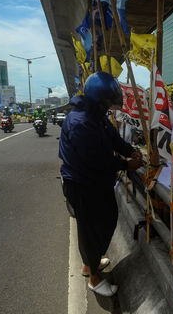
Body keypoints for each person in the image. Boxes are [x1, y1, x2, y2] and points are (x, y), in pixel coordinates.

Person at [59, 71, 142, 297]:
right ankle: (94, 279)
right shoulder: (81, 122)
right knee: (91, 231)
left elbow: (114, 139)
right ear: (98, 97)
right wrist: (126, 165)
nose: (110, 105)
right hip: (83, 185)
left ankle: (90, 263)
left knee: (105, 222)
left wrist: (131, 151)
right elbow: (96, 159)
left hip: (97, 183)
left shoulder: (98, 115)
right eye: (108, 99)